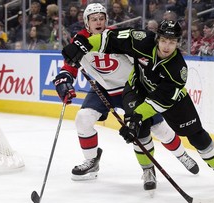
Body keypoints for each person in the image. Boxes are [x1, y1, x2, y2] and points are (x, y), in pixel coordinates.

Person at [61, 19, 214, 188]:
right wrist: (81, 45)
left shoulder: (178, 69)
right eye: (164, 40)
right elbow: (109, 38)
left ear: (178, 43)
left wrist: (135, 116)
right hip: (137, 89)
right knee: (139, 132)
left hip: (171, 100)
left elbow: (159, 101)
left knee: (197, 135)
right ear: (157, 38)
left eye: (172, 42)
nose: (167, 46)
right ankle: (148, 170)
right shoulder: (142, 40)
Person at [53, 3, 199, 192]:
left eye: (101, 18)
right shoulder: (79, 41)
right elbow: (70, 65)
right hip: (103, 89)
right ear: (86, 22)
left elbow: (141, 60)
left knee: (159, 128)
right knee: (83, 119)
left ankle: (181, 155)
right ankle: (91, 161)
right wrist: (64, 79)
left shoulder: (116, 37)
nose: (99, 22)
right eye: (94, 19)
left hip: (130, 88)